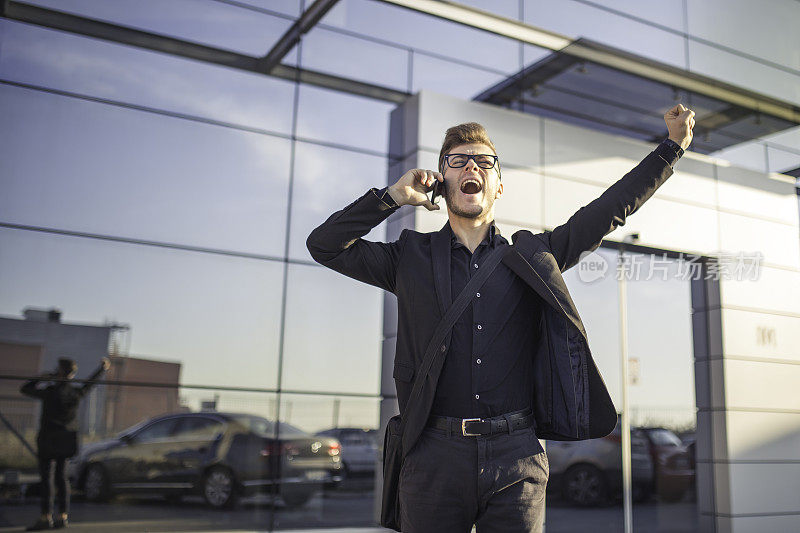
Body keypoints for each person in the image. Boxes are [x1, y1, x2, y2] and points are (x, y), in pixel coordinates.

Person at [307, 104, 694, 532]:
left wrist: (671, 149)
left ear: (498, 187)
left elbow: (608, 209)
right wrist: (393, 197)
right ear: (441, 182)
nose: (471, 165)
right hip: (433, 456)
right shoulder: (409, 257)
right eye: (457, 161)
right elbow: (325, 245)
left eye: (484, 161)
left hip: (517, 459)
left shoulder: (532, 258)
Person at [20, 357, 111, 530]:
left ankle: (46, 516)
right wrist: (102, 369)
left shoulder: (50, 391)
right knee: (61, 478)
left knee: (47, 478)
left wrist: (41, 378)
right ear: (72, 373)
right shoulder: (75, 393)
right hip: (66, 439)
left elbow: (25, 389)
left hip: (49, 438)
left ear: (60, 371)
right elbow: (89, 385)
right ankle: (63, 515)